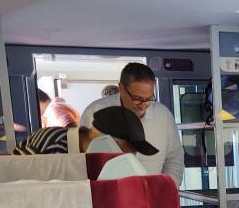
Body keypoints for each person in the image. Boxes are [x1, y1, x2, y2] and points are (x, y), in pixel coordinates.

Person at [81, 63, 184, 186]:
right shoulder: (94, 112)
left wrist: (166, 190)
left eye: (150, 98)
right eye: (138, 98)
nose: (144, 105)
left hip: (152, 196)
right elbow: (82, 163)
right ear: (121, 88)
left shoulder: (163, 116)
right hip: (108, 196)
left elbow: (174, 159)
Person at [13, 105, 158, 157]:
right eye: (125, 154)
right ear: (109, 143)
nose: (127, 161)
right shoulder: (52, 144)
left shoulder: (89, 160)